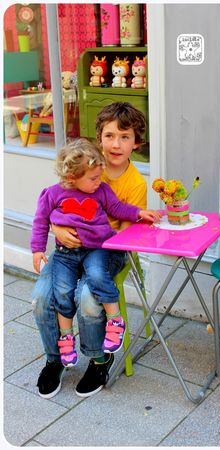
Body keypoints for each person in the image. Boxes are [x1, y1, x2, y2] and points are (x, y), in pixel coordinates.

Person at [32, 102, 153, 398]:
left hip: (108, 251)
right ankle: (55, 358)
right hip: (67, 250)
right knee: (41, 297)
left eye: (125, 137)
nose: (116, 144)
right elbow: (54, 205)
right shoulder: (83, 162)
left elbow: (126, 232)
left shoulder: (134, 183)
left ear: (136, 142)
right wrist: (58, 231)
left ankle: (99, 358)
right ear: (99, 137)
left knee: (87, 297)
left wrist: (91, 242)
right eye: (110, 135)